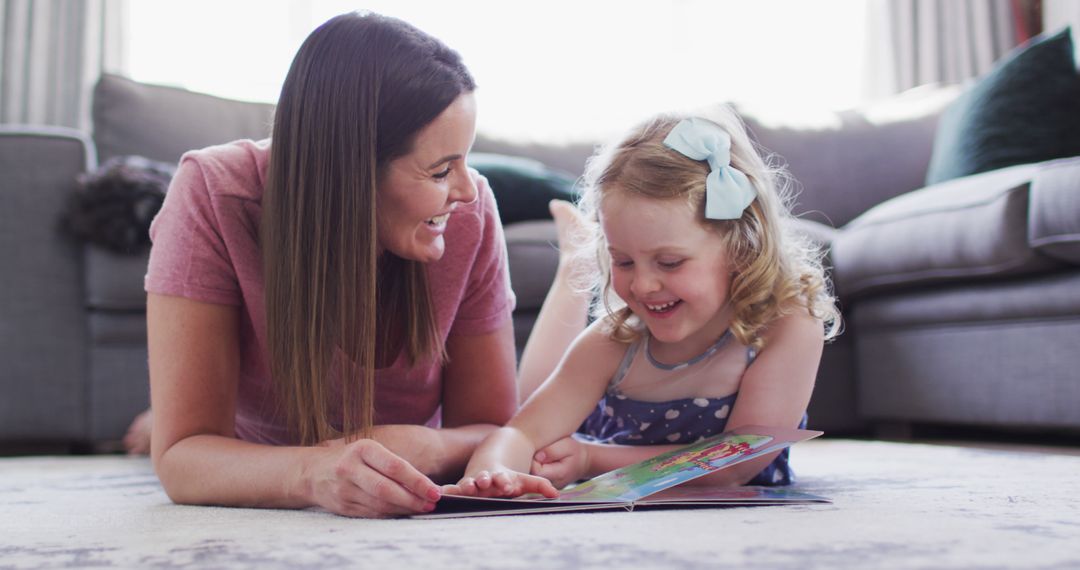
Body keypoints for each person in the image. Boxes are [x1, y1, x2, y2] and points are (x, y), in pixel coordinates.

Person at [141, 12, 518, 518]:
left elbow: (495, 429)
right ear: (352, 170)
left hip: (401, 455)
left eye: (465, 161)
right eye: (440, 170)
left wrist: (426, 447)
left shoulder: (472, 213)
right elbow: (182, 457)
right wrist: (316, 471)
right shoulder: (213, 192)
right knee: (167, 425)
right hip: (253, 452)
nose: (467, 191)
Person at [446, 109, 840, 498]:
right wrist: (492, 474)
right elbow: (519, 431)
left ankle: (575, 263)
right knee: (528, 395)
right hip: (596, 436)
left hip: (623, 464)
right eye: (623, 261)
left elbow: (734, 465)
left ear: (740, 247)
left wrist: (589, 459)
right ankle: (575, 265)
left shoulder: (786, 323)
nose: (644, 285)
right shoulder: (615, 339)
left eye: (670, 262)